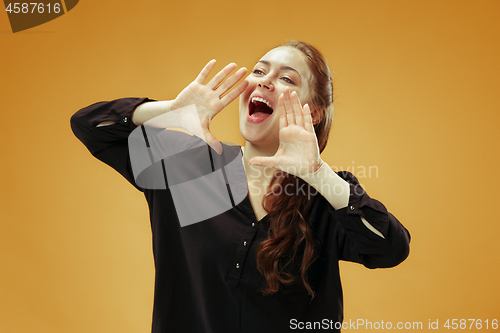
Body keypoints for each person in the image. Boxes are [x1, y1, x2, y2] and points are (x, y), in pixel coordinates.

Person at [71, 40, 410, 332]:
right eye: (260, 71)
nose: (265, 82)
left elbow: (390, 248)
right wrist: (169, 111)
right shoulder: (185, 165)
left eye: (286, 78)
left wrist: (319, 174)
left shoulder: (325, 195)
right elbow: (90, 125)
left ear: (315, 113)